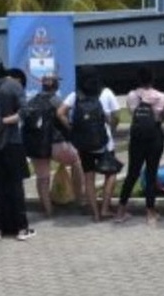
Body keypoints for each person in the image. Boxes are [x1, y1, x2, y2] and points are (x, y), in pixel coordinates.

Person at [57, 65, 120, 222]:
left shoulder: (75, 95)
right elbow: (116, 115)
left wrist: (71, 128)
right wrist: (111, 128)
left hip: (84, 144)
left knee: (89, 178)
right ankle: (105, 208)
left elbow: (60, 113)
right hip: (105, 143)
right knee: (111, 174)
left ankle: (95, 214)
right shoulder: (106, 93)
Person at [26, 72, 85, 217]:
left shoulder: (32, 101)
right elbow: (66, 120)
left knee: (42, 178)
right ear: (54, 85)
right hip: (57, 144)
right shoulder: (56, 100)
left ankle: (48, 210)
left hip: (37, 145)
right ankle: (79, 201)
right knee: (77, 162)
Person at [115, 66, 164, 224]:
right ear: (152, 79)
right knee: (151, 174)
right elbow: (162, 118)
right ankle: (150, 213)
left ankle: (120, 211)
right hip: (155, 137)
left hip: (137, 137)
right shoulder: (161, 96)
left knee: (132, 173)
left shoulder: (131, 95)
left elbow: (133, 114)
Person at [0, 68, 34, 241]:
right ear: (18, 78)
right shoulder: (14, 86)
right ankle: (21, 228)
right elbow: (25, 112)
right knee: (16, 185)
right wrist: (5, 121)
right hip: (12, 141)